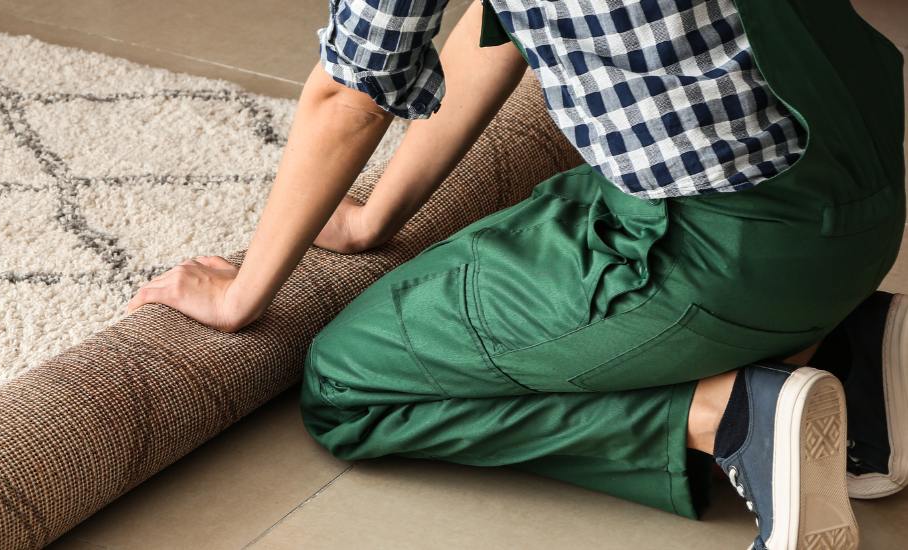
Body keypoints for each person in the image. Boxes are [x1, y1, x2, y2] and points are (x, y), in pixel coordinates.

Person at [123, 0, 906, 548]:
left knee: (348, 381)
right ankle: (849, 350)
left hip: (733, 250)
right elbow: (502, 31)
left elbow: (346, 98)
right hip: (864, 191)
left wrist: (241, 292)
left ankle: (732, 415)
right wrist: (371, 216)